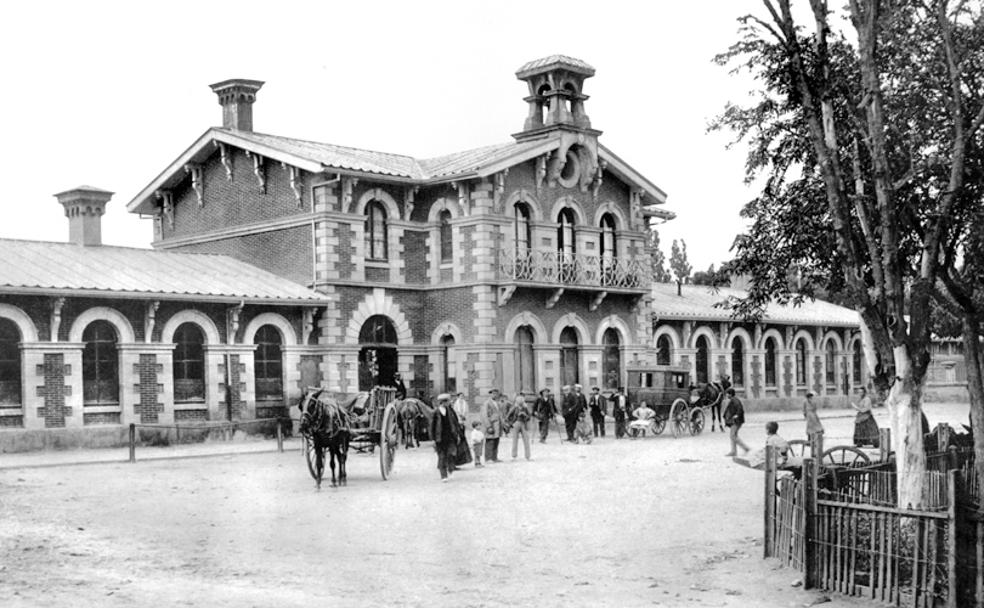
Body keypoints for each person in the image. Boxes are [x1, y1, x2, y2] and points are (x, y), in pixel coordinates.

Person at [429, 393, 459, 482]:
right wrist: (432, 439)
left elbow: (455, 422)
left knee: (451, 454)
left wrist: (457, 434)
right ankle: (443, 475)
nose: (449, 403)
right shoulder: (436, 412)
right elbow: (431, 427)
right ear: (443, 402)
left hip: (450, 436)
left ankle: (450, 469)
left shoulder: (451, 411)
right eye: (448, 401)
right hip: (440, 438)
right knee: (442, 456)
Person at [723, 387, 750, 456]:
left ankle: (745, 448)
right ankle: (733, 451)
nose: (726, 395)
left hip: (736, 421)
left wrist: (737, 415)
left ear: (730, 394)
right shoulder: (734, 400)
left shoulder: (735, 401)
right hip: (735, 421)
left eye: (727, 394)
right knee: (734, 435)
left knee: (732, 436)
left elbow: (740, 409)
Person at [507, 392, 533, 460]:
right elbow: (508, 416)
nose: (520, 403)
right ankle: (514, 455)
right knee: (515, 440)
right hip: (516, 423)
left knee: (526, 440)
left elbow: (529, 416)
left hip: (524, 423)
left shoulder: (525, 408)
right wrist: (511, 423)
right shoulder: (514, 408)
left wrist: (525, 415)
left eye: (522, 401)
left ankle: (528, 456)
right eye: (519, 401)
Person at [481, 388, 504, 463]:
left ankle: (494, 457)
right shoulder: (487, 403)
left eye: (496, 393)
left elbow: (500, 414)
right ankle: (488, 458)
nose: (495, 395)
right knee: (490, 441)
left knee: (496, 441)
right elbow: (484, 415)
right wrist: (488, 426)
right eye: (493, 393)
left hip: (498, 425)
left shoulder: (497, 403)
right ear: (490, 394)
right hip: (491, 424)